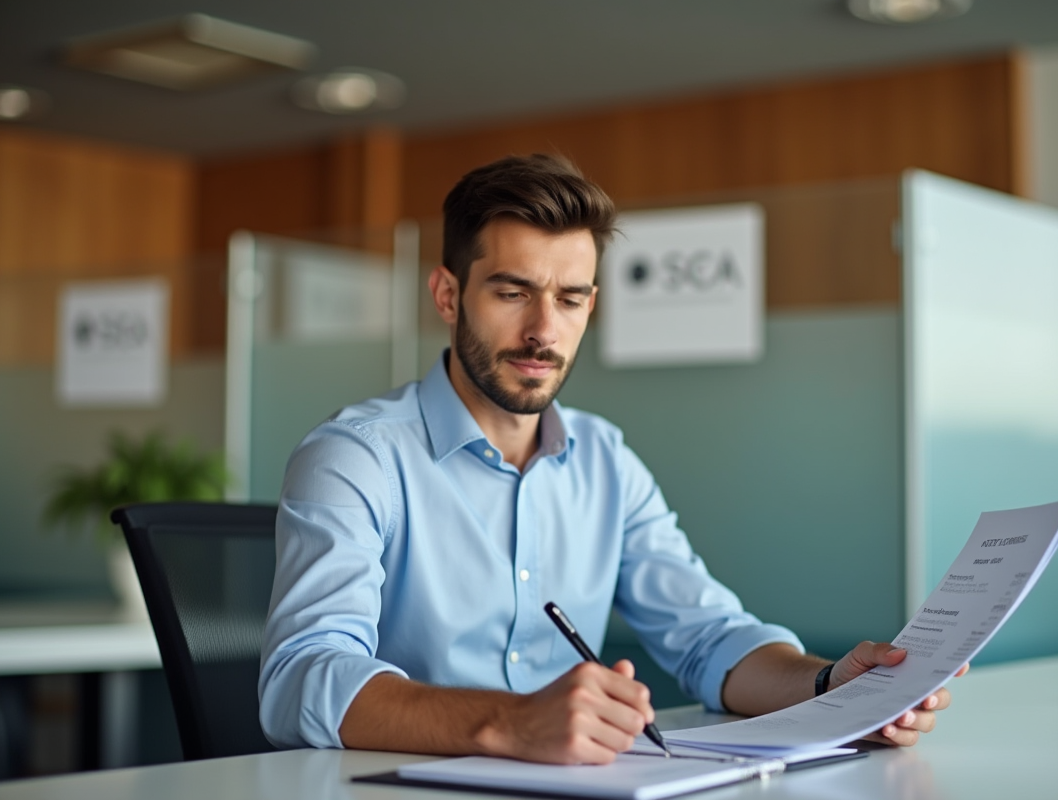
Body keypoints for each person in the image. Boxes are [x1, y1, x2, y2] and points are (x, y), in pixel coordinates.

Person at [259, 154, 961, 764]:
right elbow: (302, 677)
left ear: (590, 307)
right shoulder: (356, 457)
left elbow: (708, 637)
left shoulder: (603, 459)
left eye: (568, 300)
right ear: (448, 294)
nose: (542, 332)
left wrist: (831, 688)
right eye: (512, 293)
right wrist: (509, 723)